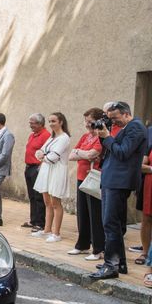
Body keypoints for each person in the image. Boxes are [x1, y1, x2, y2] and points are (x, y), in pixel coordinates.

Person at [90, 101, 147, 280]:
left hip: (119, 181)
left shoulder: (135, 127)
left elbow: (122, 152)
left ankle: (110, 266)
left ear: (126, 113)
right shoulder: (125, 128)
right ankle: (120, 263)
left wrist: (107, 137)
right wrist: (103, 135)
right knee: (113, 223)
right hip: (112, 180)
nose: (113, 122)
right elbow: (111, 149)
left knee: (110, 223)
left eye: (115, 118)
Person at [68, 108, 105, 260]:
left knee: (95, 214)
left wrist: (80, 153)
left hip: (94, 177)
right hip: (81, 176)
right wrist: (83, 154)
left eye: (90, 122)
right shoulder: (85, 137)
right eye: (86, 122)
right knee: (82, 212)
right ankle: (82, 245)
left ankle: (98, 249)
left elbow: (93, 154)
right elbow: (71, 155)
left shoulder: (100, 137)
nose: (87, 125)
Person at [32, 112, 71, 243]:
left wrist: (44, 157)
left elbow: (54, 157)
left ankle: (56, 233)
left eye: (53, 121)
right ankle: (47, 230)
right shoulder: (52, 137)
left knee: (55, 203)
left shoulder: (64, 138)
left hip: (57, 171)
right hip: (47, 170)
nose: (51, 124)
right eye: (49, 121)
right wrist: (42, 155)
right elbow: (40, 151)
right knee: (47, 202)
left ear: (61, 122)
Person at [23, 113, 51, 232]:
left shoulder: (46, 135)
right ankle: (33, 220)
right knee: (32, 196)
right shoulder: (32, 135)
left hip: (37, 168)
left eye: (32, 123)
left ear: (40, 124)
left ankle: (40, 223)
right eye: (30, 123)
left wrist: (40, 167)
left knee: (39, 197)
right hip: (29, 167)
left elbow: (48, 153)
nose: (30, 125)